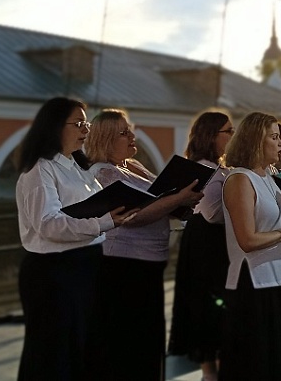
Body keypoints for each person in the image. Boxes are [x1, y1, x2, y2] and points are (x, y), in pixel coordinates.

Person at [15, 97, 135, 381]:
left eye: (86, 123)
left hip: (86, 265)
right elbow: (48, 225)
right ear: (55, 126)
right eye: (78, 123)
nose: (86, 129)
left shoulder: (78, 168)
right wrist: (105, 221)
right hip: (54, 272)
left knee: (83, 348)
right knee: (53, 353)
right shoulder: (40, 169)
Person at [85, 109, 203, 381]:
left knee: (148, 335)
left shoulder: (133, 166)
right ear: (104, 139)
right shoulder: (102, 174)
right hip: (123, 266)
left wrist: (181, 201)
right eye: (124, 133)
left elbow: (158, 198)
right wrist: (177, 200)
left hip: (149, 263)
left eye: (131, 130)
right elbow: (132, 217)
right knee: (128, 339)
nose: (132, 136)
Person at [218, 112, 281, 381]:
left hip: (280, 278)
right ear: (255, 140)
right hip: (252, 283)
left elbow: (279, 226)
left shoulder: (267, 177)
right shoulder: (240, 179)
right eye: (275, 137)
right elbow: (247, 239)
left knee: (278, 361)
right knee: (255, 364)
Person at [168, 111, 234, 381]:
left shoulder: (219, 167)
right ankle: (209, 371)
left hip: (218, 242)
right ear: (210, 136)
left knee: (221, 307)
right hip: (207, 243)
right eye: (228, 131)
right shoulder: (203, 168)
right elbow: (211, 213)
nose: (232, 136)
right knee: (207, 305)